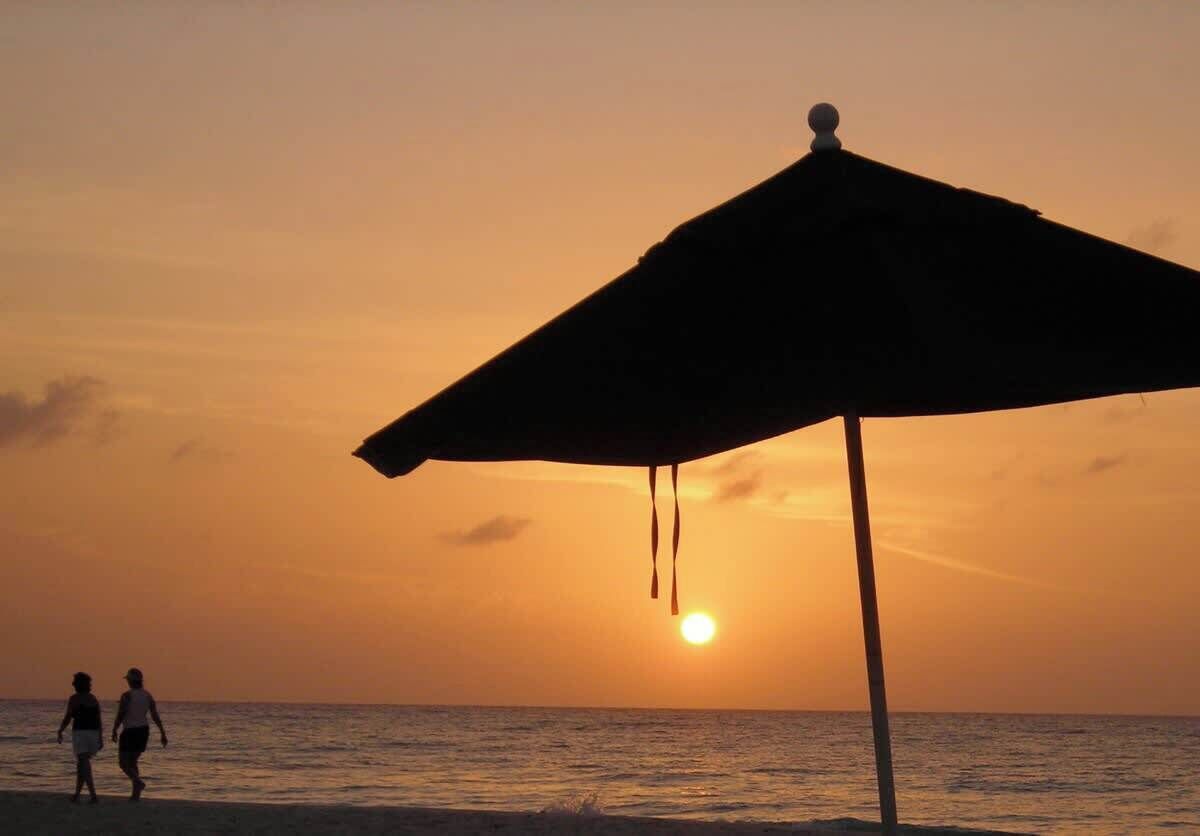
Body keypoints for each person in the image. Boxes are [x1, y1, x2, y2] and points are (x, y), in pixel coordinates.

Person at [111, 667, 167, 801]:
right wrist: (162, 732)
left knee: (123, 763)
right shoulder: (147, 695)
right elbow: (154, 715)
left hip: (130, 731)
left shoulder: (126, 695)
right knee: (133, 761)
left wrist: (114, 729)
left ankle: (138, 782)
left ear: (130, 681)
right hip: (143, 731)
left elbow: (121, 713)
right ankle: (135, 794)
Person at [57, 672, 102, 804]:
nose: (72, 684)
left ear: (78, 684)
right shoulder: (93, 699)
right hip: (93, 733)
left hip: (81, 733)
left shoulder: (74, 699)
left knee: (83, 763)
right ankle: (77, 794)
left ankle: (93, 795)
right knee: (81, 764)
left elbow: (68, 717)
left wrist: (60, 730)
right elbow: (98, 719)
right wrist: (100, 737)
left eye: (74, 682)